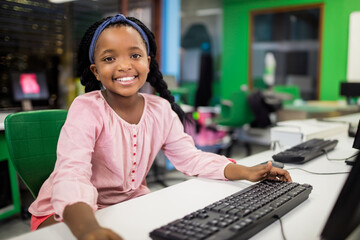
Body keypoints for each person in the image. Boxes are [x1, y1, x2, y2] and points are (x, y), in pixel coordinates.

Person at [28, 14, 292, 240]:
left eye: (134, 55)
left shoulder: (159, 109)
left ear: (148, 62)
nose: (124, 65)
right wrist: (88, 230)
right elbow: (72, 175)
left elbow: (190, 158)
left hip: (125, 206)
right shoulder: (87, 108)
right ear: (95, 71)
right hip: (68, 213)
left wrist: (244, 171)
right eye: (109, 59)